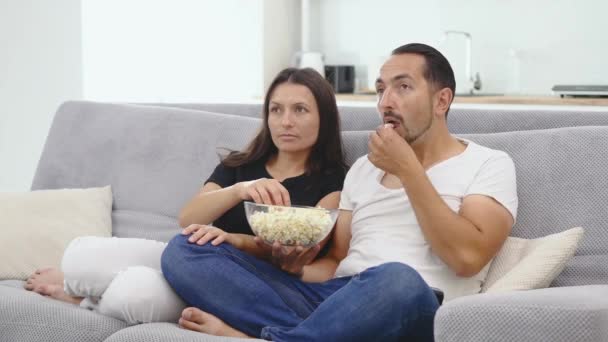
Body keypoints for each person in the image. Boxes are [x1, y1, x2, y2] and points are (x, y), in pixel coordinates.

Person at [161, 42, 518, 341]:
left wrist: (408, 169)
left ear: (442, 101)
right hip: (335, 301)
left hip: (408, 303)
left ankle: (260, 337)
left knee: (396, 277)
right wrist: (295, 269)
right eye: (381, 90)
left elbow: (467, 258)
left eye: (403, 87)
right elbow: (336, 263)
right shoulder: (364, 169)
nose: (385, 102)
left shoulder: (488, 163)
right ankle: (294, 335)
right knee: (185, 250)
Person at [24, 67, 347, 325]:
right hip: (192, 254)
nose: (285, 121)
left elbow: (309, 253)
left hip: (240, 279)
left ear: (324, 117)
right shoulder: (240, 165)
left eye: (300, 110)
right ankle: (85, 288)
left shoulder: (332, 182)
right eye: (276, 110)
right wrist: (241, 190)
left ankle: (84, 300)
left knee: (133, 296)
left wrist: (235, 239)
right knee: (82, 257)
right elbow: (189, 218)